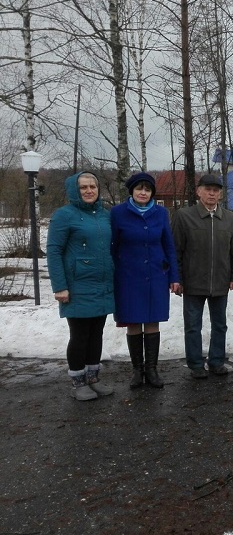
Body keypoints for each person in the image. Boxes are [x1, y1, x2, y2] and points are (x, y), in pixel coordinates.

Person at [47, 171, 115, 400]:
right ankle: (78, 382)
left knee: (96, 333)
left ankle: (93, 378)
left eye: (92, 186)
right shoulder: (64, 215)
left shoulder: (104, 215)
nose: (89, 191)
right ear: (74, 190)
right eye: (83, 187)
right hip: (77, 286)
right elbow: (54, 251)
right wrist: (59, 286)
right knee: (80, 335)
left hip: (102, 284)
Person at [111, 172, 180, 389]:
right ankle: (137, 370)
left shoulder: (161, 213)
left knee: (152, 321)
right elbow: (112, 246)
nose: (143, 193)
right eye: (139, 188)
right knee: (133, 321)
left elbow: (169, 246)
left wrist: (174, 276)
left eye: (147, 189)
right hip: (128, 277)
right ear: (131, 191)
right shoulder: (118, 213)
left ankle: (151, 369)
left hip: (156, 275)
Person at [171, 173, 233, 379]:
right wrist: (177, 278)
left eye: (216, 190)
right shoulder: (184, 216)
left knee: (220, 325)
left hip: (220, 280)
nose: (212, 193)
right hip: (193, 281)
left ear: (220, 194)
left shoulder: (230, 219)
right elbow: (176, 250)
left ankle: (217, 361)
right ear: (198, 192)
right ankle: (195, 365)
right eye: (208, 189)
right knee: (193, 326)